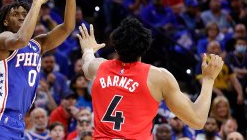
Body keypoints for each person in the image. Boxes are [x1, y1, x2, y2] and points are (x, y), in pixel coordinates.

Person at [76, 17, 224, 139]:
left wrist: (88, 49)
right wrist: (209, 80)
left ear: (115, 47)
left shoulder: (99, 67)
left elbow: (86, 64)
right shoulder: (158, 77)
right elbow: (197, 121)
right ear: (145, 47)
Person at [0, 0, 75, 139]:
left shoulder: (38, 45)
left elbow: (67, 28)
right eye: (16, 14)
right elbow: (21, 39)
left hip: (19, 121)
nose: (22, 16)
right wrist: (36, 2)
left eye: (25, 13)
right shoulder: (3, 39)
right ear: (6, 22)